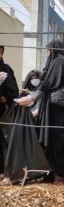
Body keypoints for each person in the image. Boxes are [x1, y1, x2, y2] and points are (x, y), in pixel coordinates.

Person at [15, 40, 64, 184]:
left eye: (48, 50)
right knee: (56, 140)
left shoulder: (60, 61)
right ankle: (53, 172)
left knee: (58, 141)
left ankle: (60, 174)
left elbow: (49, 83)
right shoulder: (63, 61)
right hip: (60, 110)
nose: (47, 54)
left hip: (60, 111)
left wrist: (31, 98)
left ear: (53, 50)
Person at [0, 45, 19, 176]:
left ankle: (4, 170)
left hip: (3, 112)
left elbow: (14, 90)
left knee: (4, 140)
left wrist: (6, 97)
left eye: (0, 53)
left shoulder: (6, 69)